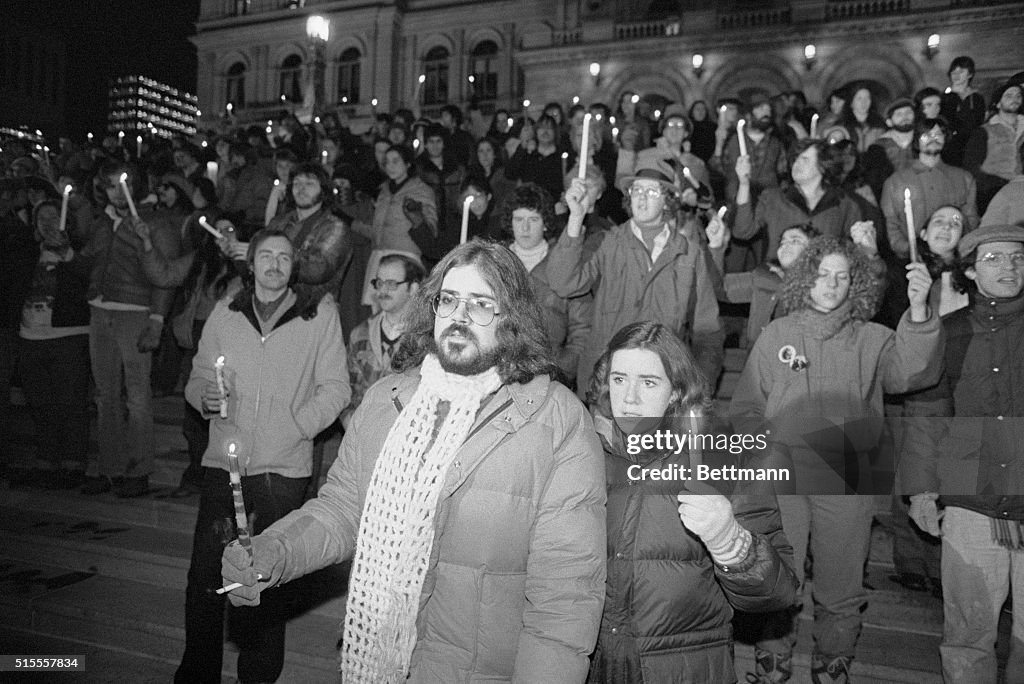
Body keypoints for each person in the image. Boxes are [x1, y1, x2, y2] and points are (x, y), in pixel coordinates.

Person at [221, 240, 607, 682]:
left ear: (512, 318)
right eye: (449, 300)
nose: (459, 317)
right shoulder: (389, 399)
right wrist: (277, 550)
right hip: (384, 664)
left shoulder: (556, 420)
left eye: (481, 304)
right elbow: (344, 508)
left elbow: (565, 597)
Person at [730, 235, 942, 683]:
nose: (831, 284)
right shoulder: (778, 334)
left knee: (842, 582)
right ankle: (772, 658)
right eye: (823, 274)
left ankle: (834, 660)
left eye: (842, 277)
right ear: (806, 278)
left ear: (855, 285)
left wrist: (920, 310)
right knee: (779, 575)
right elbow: (748, 407)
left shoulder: (872, 339)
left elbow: (915, 371)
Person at [175, 228, 350, 684]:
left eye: (284, 257)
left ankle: (257, 675)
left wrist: (295, 427)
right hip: (224, 462)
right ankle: (197, 673)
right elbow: (197, 375)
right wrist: (205, 399)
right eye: (265, 256)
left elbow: (336, 389)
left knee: (266, 576)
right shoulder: (225, 312)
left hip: (283, 468)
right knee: (208, 575)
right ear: (249, 265)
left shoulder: (318, 313)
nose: (274, 264)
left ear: (294, 267)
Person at [586, 320, 797, 683]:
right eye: (619, 379)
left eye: (648, 382)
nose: (630, 398)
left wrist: (731, 543)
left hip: (681, 668)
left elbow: (779, 592)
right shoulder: (586, 451)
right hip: (593, 663)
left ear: (675, 391)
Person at [901, 224, 1024, 684]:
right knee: (968, 638)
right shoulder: (949, 333)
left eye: (1017, 257)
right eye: (993, 259)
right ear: (970, 270)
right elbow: (927, 417)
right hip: (972, 502)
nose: (1008, 267)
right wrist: (921, 490)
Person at [548, 157, 724, 397]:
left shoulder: (688, 254)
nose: (641, 197)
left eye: (651, 191)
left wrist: (699, 389)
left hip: (661, 387)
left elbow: (707, 331)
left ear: (667, 201)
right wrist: (575, 218)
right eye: (636, 190)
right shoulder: (606, 242)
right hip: (606, 386)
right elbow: (563, 282)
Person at [70, 162, 182, 497]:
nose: (116, 192)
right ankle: (110, 468)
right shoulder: (102, 221)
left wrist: (157, 321)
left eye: (122, 184)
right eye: (109, 186)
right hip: (99, 310)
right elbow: (87, 265)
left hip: (135, 313)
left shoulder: (155, 221)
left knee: (137, 397)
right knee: (105, 396)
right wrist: (69, 252)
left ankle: (138, 470)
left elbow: (166, 277)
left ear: (135, 185)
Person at [136, 213, 243, 496]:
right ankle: (197, 475)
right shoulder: (200, 260)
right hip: (196, 337)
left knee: (227, 413)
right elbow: (165, 274)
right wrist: (147, 243)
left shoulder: (248, 265)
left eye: (230, 229)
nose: (223, 235)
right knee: (196, 415)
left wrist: (244, 260)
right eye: (218, 230)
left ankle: (225, 477)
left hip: (232, 341)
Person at [13, 200, 91, 489]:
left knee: (70, 402)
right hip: (31, 336)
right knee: (41, 403)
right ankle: (46, 458)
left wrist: (67, 253)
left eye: (52, 215)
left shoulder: (79, 249)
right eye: (40, 217)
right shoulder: (25, 252)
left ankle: (73, 462)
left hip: (68, 335)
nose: (46, 221)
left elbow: (91, 277)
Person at [501, 183, 592, 390]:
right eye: (518, 219)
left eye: (533, 220)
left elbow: (582, 330)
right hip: (498, 373)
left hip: (549, 375)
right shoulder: (496, 264)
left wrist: (560, 370)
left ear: (545, 224)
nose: (524, 228)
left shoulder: (564, 265)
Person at [732, 139, 863, 263]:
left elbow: (856, 253)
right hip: (777, 280)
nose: (797, 164)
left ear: (823, 166)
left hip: (822, 281)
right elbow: (742, 231)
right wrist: (744, 184)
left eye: (805, 159)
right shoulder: (773, 198)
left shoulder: (845, 205)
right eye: (795, 159)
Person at [340, 253, 424, 430]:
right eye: (379, 283)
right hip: (361, 435)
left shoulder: (424, 340)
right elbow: (346, 388)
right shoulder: (360, 334)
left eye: (391, 284)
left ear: (413, 288)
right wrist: (350, 422)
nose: (382, 291)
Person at [881, 117, 979, 260]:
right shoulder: (896, 181)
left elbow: (971, 220)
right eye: (926, 135)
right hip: (911, 261)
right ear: (916, 140)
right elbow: (891, 224)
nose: (933, 139)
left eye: (938, 134)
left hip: (953, 260)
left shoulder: (963, 178)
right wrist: (910, 250)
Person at [352, 144, 437, 308]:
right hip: (379, 255)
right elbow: (376, 229)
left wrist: (417, 216)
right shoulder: (383, 191)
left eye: (395, 161)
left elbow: (431, 227)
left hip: (405, 256)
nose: (390, 166)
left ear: (408, 164)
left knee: (404, 310)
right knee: (378, 310)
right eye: (387, 162)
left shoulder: (421, 190)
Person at [963, 81, 1024, 213]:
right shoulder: (984, 131)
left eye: (1018, 96)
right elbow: (971, 165)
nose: (1015, 99)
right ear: (997, 103)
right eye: (1009, 96)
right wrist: (997, 184)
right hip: (993, 192)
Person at [940, 55, 987, 167]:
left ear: (970, 74)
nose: (956, 75)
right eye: (953, 72)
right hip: (950, 146)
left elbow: (978, 121)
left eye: (961, 71)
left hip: (971, 145)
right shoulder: (944, 98)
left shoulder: (976, 98)